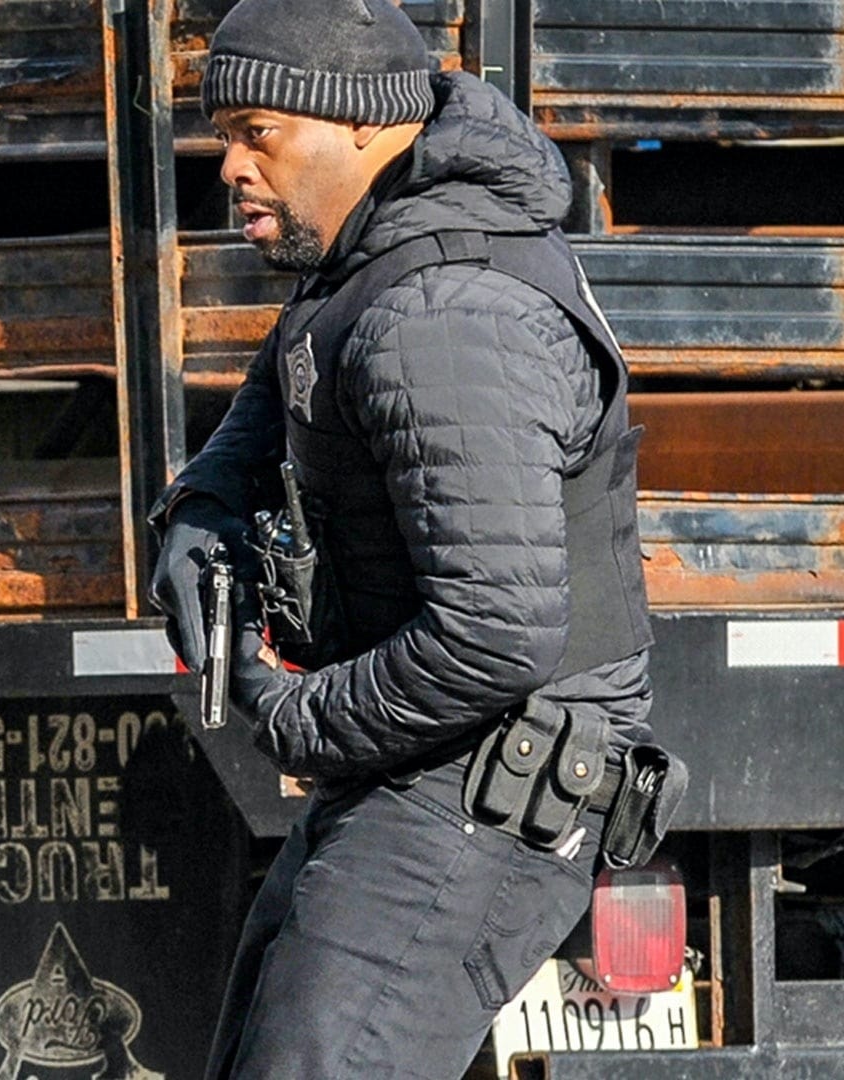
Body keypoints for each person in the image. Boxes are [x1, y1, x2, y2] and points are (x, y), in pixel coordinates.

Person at [149, 0, 679, 1076]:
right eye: (224, 138)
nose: (231, 168)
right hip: (424, 766)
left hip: (477, 788)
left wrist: (297, 717)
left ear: (360, 122)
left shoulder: (446, 312)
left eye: (258, 133)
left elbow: (495, 634)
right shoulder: (373, 258)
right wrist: (200, 512)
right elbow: (288, 382)